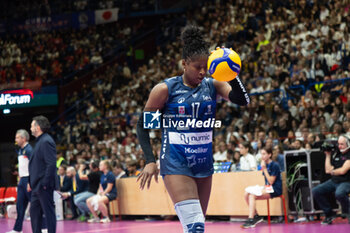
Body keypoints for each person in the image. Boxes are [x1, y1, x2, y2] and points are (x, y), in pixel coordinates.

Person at [136, 25, 249, 232]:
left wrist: (230, 71)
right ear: (184, 64)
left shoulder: (213, 85)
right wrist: (150, 161)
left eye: (206, 67)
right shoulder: (165, 90)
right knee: (195, 225)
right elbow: (143, 126)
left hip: (203, 163)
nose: (203, 72)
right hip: (176, 163)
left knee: (195, 227)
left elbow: (243, 100)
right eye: (197, 67)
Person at [7, 129, 48, 233]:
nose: (15, 139)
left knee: (35, 205)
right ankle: (17, 229)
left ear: (23, 138)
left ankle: (43, 228)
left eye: (17, 137)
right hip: (22, 181)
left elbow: (35, 166)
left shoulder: (29, 150)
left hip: (29, 180)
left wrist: (30, 181)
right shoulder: (20, 150)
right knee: (20, 206)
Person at [312, 135, 350, 225]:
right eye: (339, 144)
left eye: (342, 144)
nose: (339, 146)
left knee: (339, 193)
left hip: (346, 181)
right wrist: (328, 156)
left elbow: (342, 171)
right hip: (334, 181)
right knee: (316, 191)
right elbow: (327, 169)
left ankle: (347, 212)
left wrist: (332, 171)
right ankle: (329, 214)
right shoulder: (337, 153)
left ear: (348, 144)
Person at [28, 115, 57, 233]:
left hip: (42, 185)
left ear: (37, 127)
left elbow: (51, 164)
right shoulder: (40, 141)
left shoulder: (46, 141)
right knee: (34, 213)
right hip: (36, 185)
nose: (30, 128)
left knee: (48, 213)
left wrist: (44, 183)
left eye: (31, 125)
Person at [241, 147, 282, 228]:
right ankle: (256, 216)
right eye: (261, 154)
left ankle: (251, 219)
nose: (262, 156)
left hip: (275, 189)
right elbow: (267, 182)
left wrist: (264, 169)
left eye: (264, 154)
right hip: (267, 188)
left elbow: (271, 181)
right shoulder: (265, 164)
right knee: (246, 193)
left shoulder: (275, 165)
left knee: (252, 195)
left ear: (269, 155)